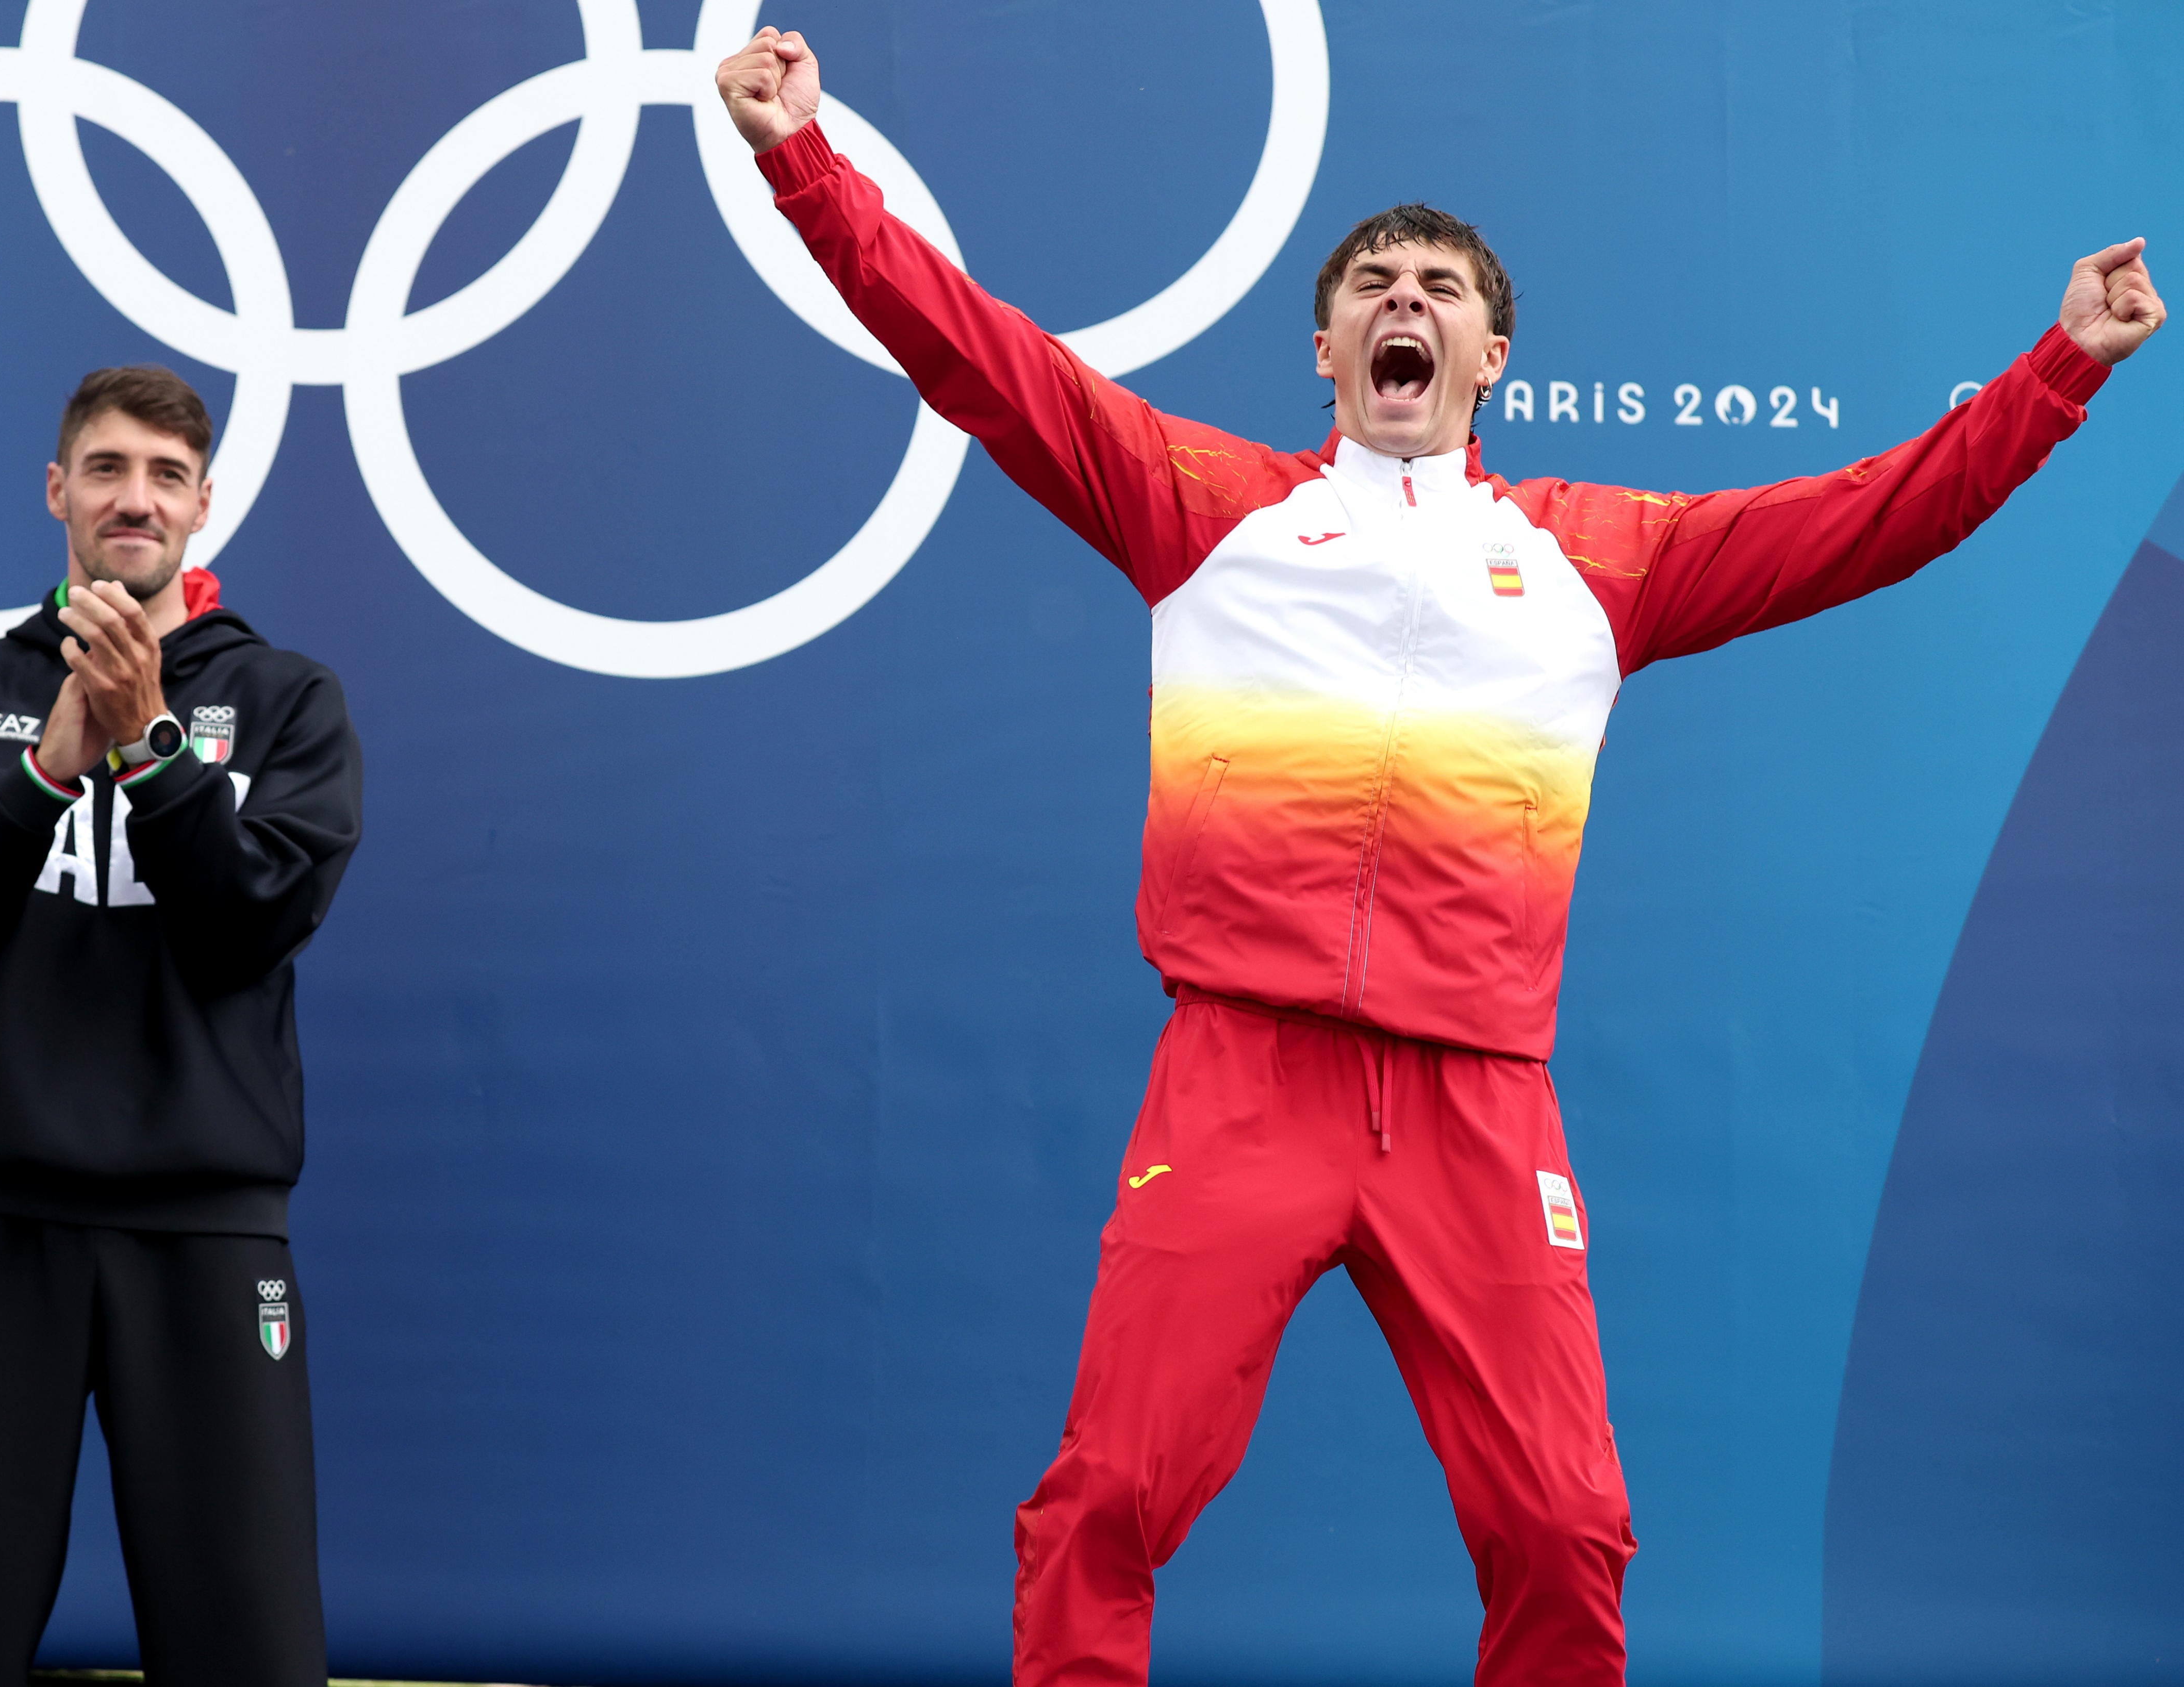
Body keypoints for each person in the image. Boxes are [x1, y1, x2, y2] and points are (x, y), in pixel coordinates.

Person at [715, 27, 2163, 1687]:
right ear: (1325, 353)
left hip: (1480, 1105)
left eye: (1441, 287)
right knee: (1107, 1496)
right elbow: (974, 352)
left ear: (1493, 359)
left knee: (1563, 1529)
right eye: (1374, 286)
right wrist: (801, 161)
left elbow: (1883, 514)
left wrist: (2060, 366)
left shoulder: (1606, 562)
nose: (1406, 301)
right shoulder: (1203, 507)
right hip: (1240, 1076)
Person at [0, 365, 364, 1686]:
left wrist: (154, 755)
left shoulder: (292, 701)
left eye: (168, 475)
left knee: (247, 1650)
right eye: (111, 468)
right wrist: (40, 776)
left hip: (205, 1222)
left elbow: (253, 927)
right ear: (58, 489)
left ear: (205, 508)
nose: (138, 497)